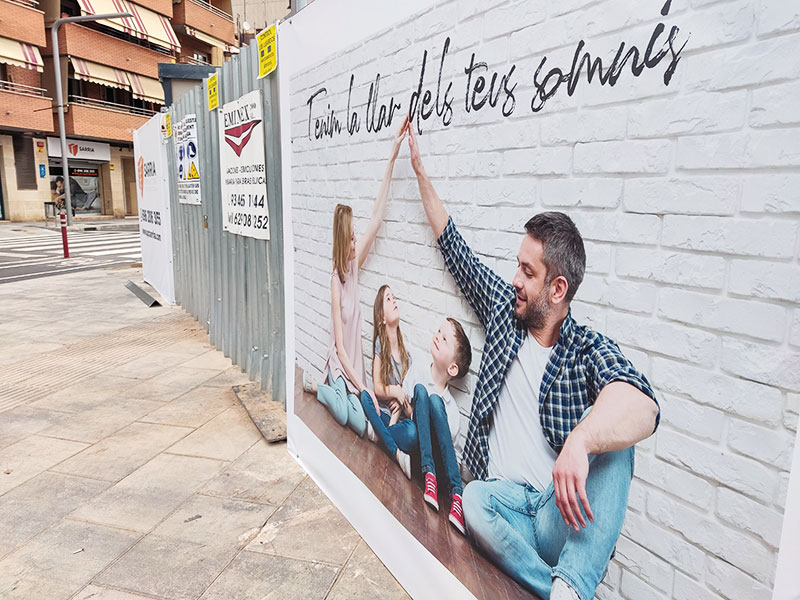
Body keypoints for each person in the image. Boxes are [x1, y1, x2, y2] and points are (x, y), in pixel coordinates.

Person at [407, 127, 660, 600]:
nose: (515, 279)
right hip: (499, 503)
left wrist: (583, 441)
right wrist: (420, 172)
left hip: (551, 514)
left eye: (528, 271)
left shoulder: (584, 348)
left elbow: (642, 405)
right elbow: (454, 247)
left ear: (558, 289)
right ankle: (561, 590)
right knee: (474, 499)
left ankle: (568, 584)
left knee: (618, 446)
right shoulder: (505, 313)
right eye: (517, 266)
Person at [313, 116, 409, 443]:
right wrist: (361, 386)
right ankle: (321, 388)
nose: (357, 242)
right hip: (342, 367)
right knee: (344, 415)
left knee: (360, 423)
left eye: (356, 237)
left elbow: (377, 219)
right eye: (352, 238)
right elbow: (340, 348)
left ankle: (340, 393)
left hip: (355, 369)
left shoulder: (354, 268)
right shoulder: (335, 282)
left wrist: (393, 156)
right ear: (343, 241)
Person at [403, 317, 471, 535]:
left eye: (444, 339)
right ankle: (427, 475)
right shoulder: (418, 370)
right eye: (438, 332)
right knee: (422, 392)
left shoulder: (451, 409)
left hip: (441, 469)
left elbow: (453, 454)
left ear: (452, 368)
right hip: (419, 454)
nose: (437, 337)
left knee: (434, 401)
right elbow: (405, 403)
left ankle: (456, 496)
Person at [360, 284, 417, 479]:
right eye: (388, 299)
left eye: (394, 297)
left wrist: (400, 404)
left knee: (412, 434)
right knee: (365, 396)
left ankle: (380, 435)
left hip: (399, 421)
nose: (394, 301)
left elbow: (409, 408)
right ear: (382, 318)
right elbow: (377, 388)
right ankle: (395, 452)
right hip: (384, 413)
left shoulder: (406, 351)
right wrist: (395, 391)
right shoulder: (380, 345)